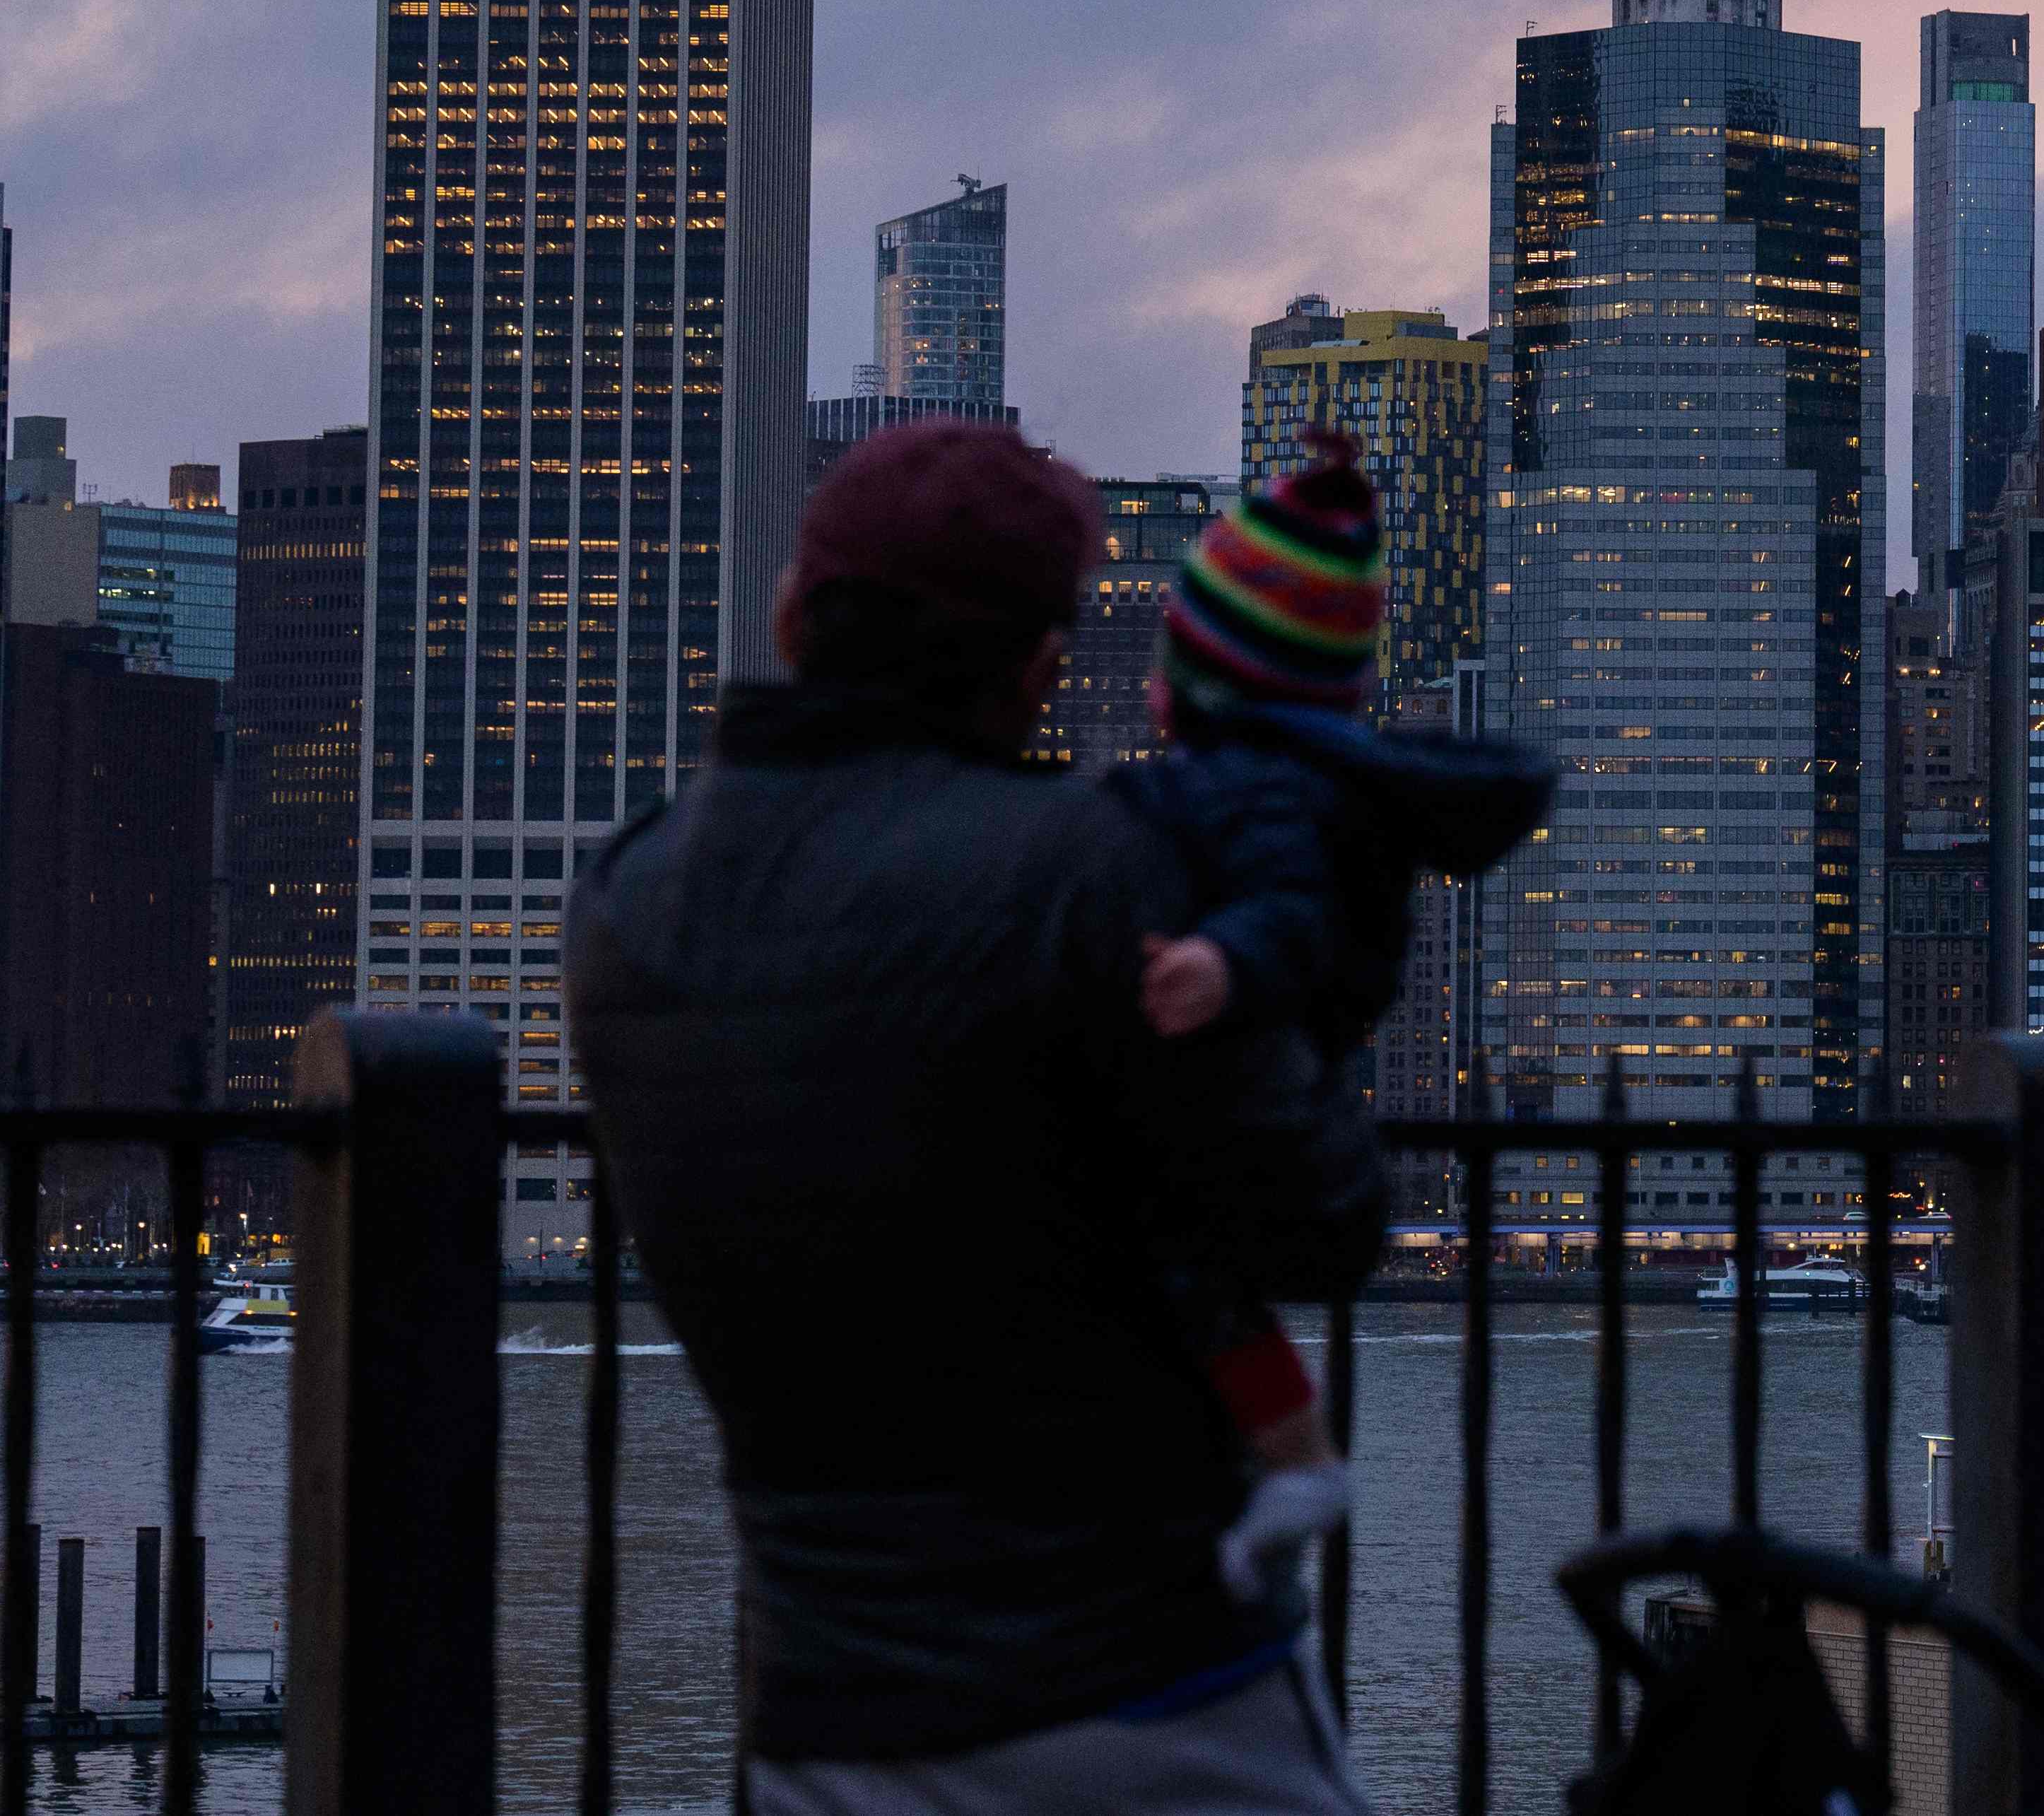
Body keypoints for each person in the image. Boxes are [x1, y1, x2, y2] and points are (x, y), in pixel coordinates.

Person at [571, 420, 1378, 1813]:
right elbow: (1320, 1214)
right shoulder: (1092, 866)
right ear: (1042, 668)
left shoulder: (627, 899)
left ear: (790, 610)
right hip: (1150, 1698)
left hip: (827, 1723)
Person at [1104, 430, 1549, 1591]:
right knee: (1192, 1282)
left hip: (1245, 1097)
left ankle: (1291, 1466)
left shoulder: (1261, 797)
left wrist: (1220, 963)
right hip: (1281, 1094)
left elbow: (1288, 910)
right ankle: (1274, 1463)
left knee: (1164, 1258)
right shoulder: (1314, 789)